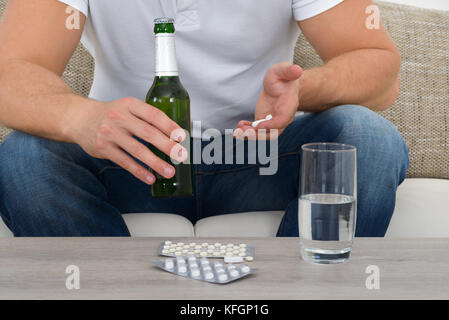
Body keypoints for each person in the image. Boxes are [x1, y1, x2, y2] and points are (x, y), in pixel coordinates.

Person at [0, 0, 409, 236]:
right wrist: (83, 116)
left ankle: (301, 293)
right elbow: (10, 69)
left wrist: (302, 89)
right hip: (131, 162)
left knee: (367, 137)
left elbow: (379, 70)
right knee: (25, 158)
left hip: (257, 157)